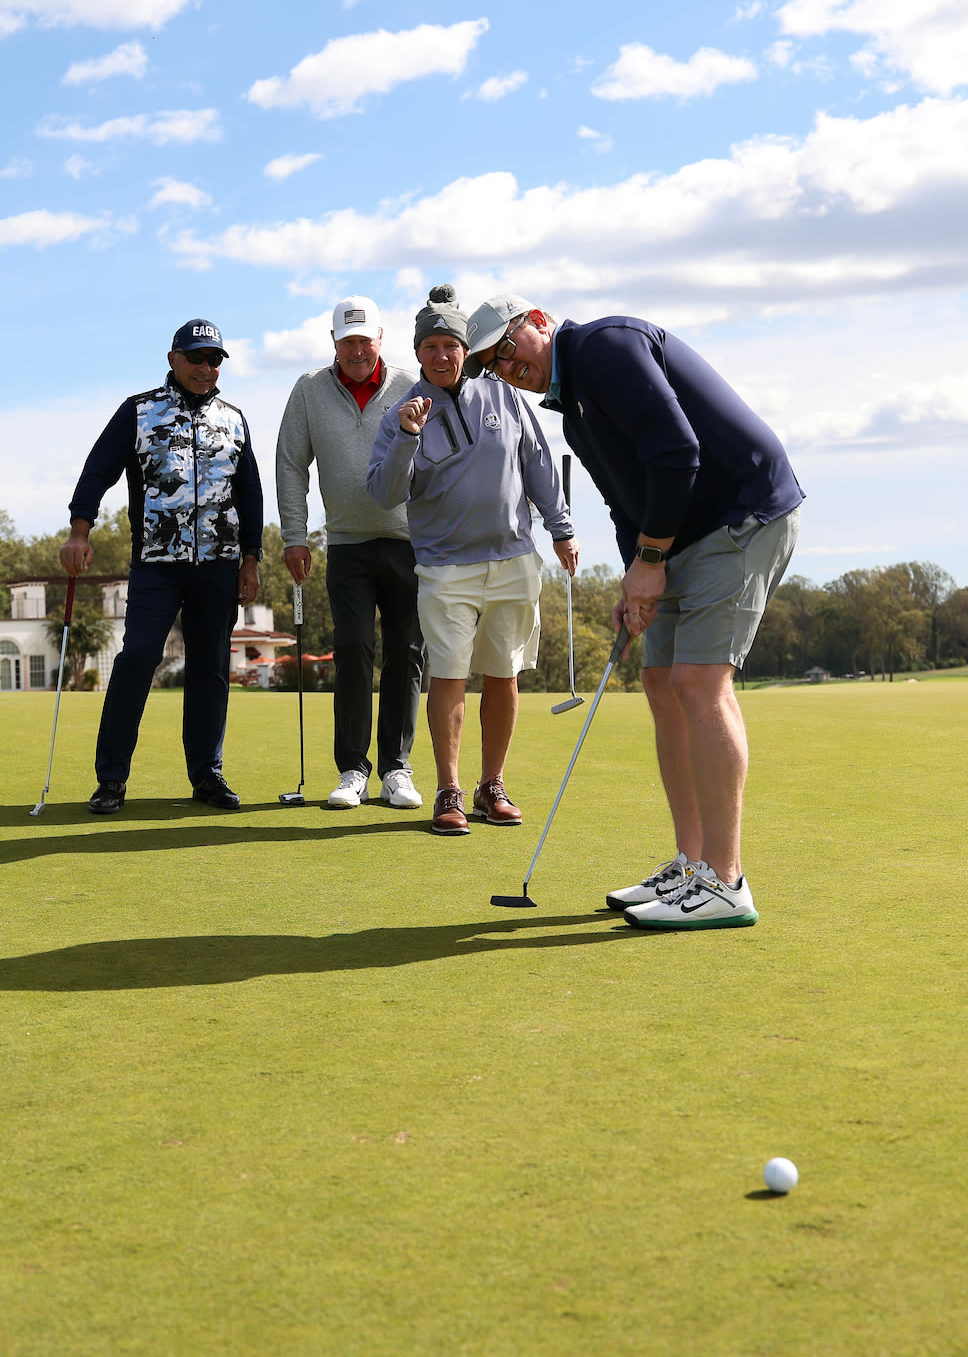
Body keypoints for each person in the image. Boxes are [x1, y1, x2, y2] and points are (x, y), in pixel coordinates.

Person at [466, 294, 803, 932]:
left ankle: (725, 882)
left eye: (507, 350)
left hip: (742, 515)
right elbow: (629, 501)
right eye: (491, 365)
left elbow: (677, 452)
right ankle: (691, 862)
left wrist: (651, 559)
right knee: (659, 682)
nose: (507, 369)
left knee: (698, 681)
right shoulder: (575, 415)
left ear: (539, 322)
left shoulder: (605, 347)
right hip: (685, 536)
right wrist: (634, 576)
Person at [365, 287, 577, 836]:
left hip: (512, 560)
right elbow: (384, 494)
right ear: (417, 353)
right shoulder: (399, 415)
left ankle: (491, 786)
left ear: (467, 349)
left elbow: (537, 463)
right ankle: (449, 790)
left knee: (503, 676)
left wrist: (562, 529)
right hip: (444, 567)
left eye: (452, 345)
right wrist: (409, 436)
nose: (442, 356)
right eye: (431, 346)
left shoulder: (504, 396)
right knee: (450, 677)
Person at [64, 317, 264, 814]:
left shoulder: (235, 419)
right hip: (156, 563)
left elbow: (251, 494)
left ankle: (206, 775)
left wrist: (251, 561)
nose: (205, 368)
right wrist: (79, 530)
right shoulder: (138, 411)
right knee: (136, 662)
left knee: (210, 669)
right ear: (173, 359)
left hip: (218, 565)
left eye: (214, 359)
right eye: (196, 358)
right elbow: (98, 470)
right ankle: (111, 779)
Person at [273, 295, 424, 810]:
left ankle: (396, 768)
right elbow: (291, 463)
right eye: (347, 341)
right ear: (334, 342)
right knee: (354, 650)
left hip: (410, 544)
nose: (357, 350)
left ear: (381, 339)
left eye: (366, 340)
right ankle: (352, 769)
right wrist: (294, 535)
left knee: (406, 653)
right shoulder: (310, 390)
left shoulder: (411, 385)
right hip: (346, 543)